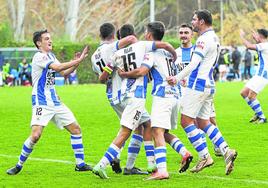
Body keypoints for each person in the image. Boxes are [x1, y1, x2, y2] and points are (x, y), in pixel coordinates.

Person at [92, 23, 177, 179]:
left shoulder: (117, 54)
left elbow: (102, 77)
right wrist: (174, 55)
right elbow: (163, 45)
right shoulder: (142, 46)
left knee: (147, 124)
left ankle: (149, 163)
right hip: (136, 97)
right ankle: (101, 164)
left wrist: (121, 73)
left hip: (120, 95)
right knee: (126, 131)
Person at [6, 29, 92, 175]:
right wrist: (77, 60)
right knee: (35, 135)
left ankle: (80, 164)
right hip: (41, 102)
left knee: (76, 129)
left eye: (50, 38)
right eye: (46, 39)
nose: (50, 41)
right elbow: (58, 68)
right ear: (39, 43)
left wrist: (77, 62)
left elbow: (64, 73)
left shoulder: (51, 56)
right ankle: (19, 165)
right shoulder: (39, 57)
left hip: (55, 101)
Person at [118, 21, 193, 180]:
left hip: (162, 95)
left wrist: (125, 74)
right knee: (164, 132)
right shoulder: (169, 54)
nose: (145, 35)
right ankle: (184, 152)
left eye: (146, 32)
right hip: (175, 96)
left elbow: (142, 71)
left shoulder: (151, 53)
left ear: (150, 35)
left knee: (156, 131)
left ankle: (162, 170)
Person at [167, 9, 237, 175]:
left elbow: (193, 64)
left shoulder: (203, 40)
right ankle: (226, 150)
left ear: (202, 22)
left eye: (194, 20)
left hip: (197, 85)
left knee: (185, 121)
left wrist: (176, 78)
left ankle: (205, 156)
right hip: (209, 85)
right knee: (204, 122)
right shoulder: (214, 38)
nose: (192, 22)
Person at [91, 22, 151, 175]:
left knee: (138, 125)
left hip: (112, 95)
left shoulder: (94, 56)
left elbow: (102, 78)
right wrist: (140, 48)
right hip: (125, 93)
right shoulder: (112, 49)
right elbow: (131, 38)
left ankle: (123, 161)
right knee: (133, 128)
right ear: (113, 35)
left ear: (100, 35)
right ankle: (115, 163)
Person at [176, 23, 222, 157]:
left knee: (210, 119)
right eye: (181, 33)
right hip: (184, 92)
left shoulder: (198, 48)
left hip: (199, 87)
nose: (183, 35)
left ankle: (217, 146)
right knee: (194, 121)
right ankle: (205, 151)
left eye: (186, 33)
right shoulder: (175, 53)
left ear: (191, 35)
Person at [240, 28, 268, 124]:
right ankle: (257, 112)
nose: (255, 36)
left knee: (251, 96)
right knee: (244, 92)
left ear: (261, 36)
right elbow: (255, 45)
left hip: (262, 75)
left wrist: (242, 36)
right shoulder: (263, 45)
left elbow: (248, 46)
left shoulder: (264, 45)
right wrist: (256, 39)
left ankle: (262, 118)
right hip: (258, 75)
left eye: (257, 35)